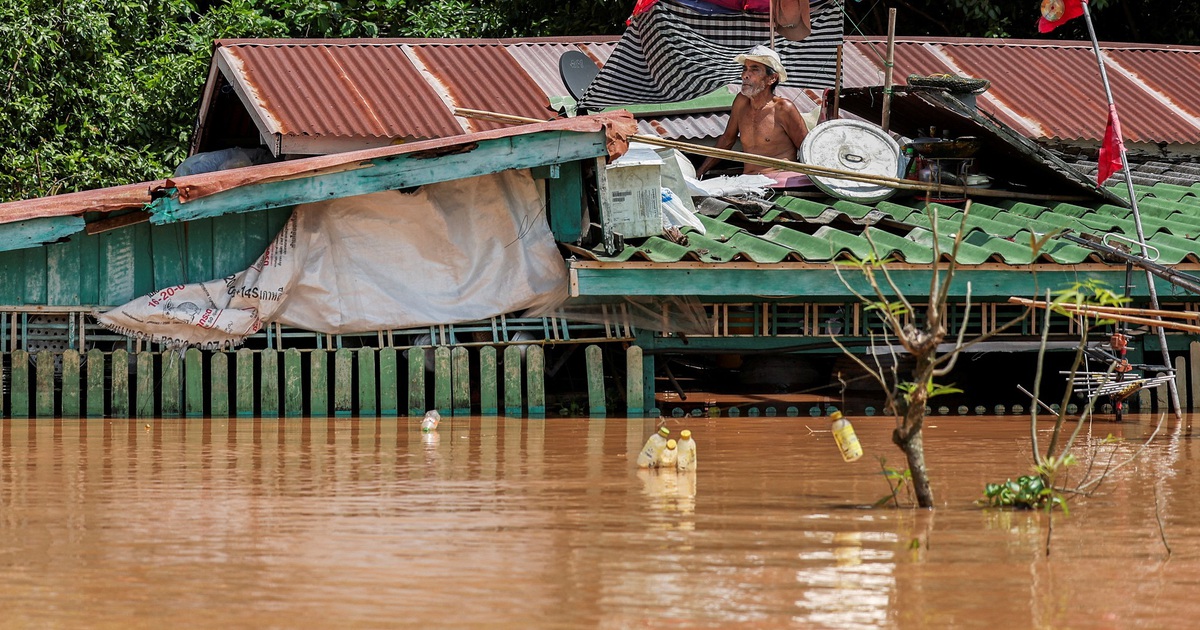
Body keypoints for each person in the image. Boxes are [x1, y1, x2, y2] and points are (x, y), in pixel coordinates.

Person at [696, 45, 811, 188]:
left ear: (772, 79)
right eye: (745, 69)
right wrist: (699, 174)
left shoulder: (783, 108)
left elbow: (808, 149)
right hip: (748, 181)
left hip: (778, 183)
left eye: (754, 69)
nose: (745, 75)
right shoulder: (741, 101)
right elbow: (727, 140)